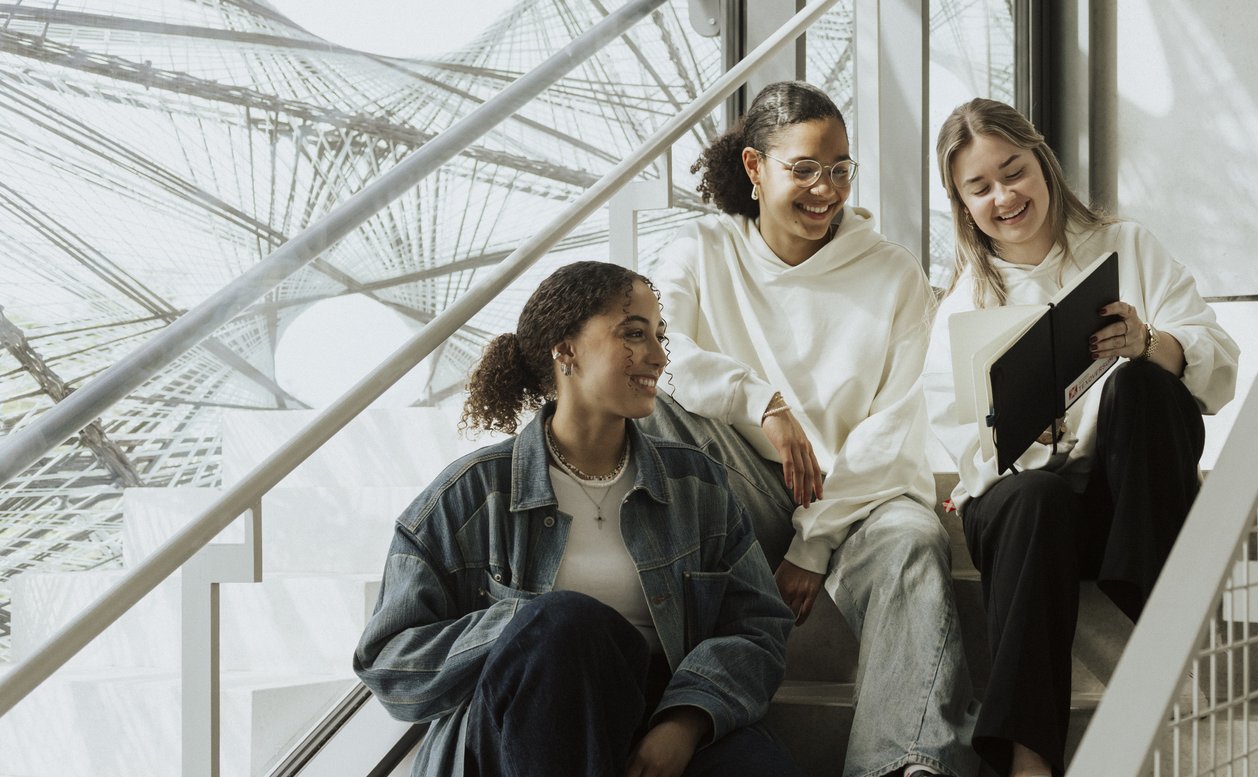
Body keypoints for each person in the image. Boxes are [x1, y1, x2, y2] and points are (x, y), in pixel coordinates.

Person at [636, 80, 974, 777]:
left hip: (856, 502)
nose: (827, 189)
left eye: (841, 169)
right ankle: (651, 692)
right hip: (738, 490)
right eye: (806, 169)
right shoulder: (700, 252)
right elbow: (658, 357)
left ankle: (906, 764)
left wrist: (814, 541)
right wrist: (761, 400)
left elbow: (890, 429)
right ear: (756, 168)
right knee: (657, 414)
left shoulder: (893, 274)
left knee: (915, 540)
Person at [353, 261, 801, 777]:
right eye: (634, 334)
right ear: (566, 349)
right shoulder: (473, 494)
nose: (658, 356)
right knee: (565, 622)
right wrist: (521, 626)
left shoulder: (695, 485)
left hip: (663, 710)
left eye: (660, 337)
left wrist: (683, 722)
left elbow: (759, 626)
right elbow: (388, 661)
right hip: (527, 730)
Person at [924, 98, 1241, 777]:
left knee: (1143, 382)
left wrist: (1151, 341)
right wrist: (1023, 436)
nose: (1004, 196)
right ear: (961, 202)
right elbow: (966, 453)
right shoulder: (962, 305)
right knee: (1033, 495)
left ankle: (1156, 605)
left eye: (1014, 171)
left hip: (1125, 504)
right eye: (980, 187)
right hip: (1029, 514)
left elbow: (1221, 365)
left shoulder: (1129, 247)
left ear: (1042, 161)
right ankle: (1028, 759)